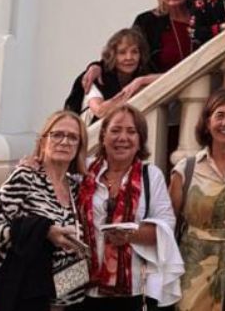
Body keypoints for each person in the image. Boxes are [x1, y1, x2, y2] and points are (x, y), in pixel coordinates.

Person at [0, 110, 90, 310]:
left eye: (73, 137)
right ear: (43, 140)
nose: (65, 141)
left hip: (59, 297)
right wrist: (43, 231)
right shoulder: (25, 176)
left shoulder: (75, 187)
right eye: (57, 134)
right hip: (15, 292)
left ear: (79, 147)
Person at [74, 103, 183, 309]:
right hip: (81, 285)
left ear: (140, 139)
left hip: (134, 287)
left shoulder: (151, 175)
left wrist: (130, 235)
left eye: (131, 132)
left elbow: (167, 226)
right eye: (115, 130)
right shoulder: (84, 170)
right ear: (103, 135)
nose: (122, 138)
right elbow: (53, 174)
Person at [169, 88, 225, 311]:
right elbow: (168, 225)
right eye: (219, 115)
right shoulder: (186, 169)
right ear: (207, 122)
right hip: (194, 271)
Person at [63, 28, 154, 120]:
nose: (129, 57)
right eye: (122, 52)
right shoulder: (95, 76)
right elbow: (100, 111)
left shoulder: (142, 72)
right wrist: (127, 93)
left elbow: (167, 77)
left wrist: (141, 81)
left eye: (134, 52)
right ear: (113, 55)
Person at [134, 0, 198, 74]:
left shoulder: (201, 17)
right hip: (162, 86)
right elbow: (126, 51)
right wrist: (97, 66)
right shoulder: (146, 21)